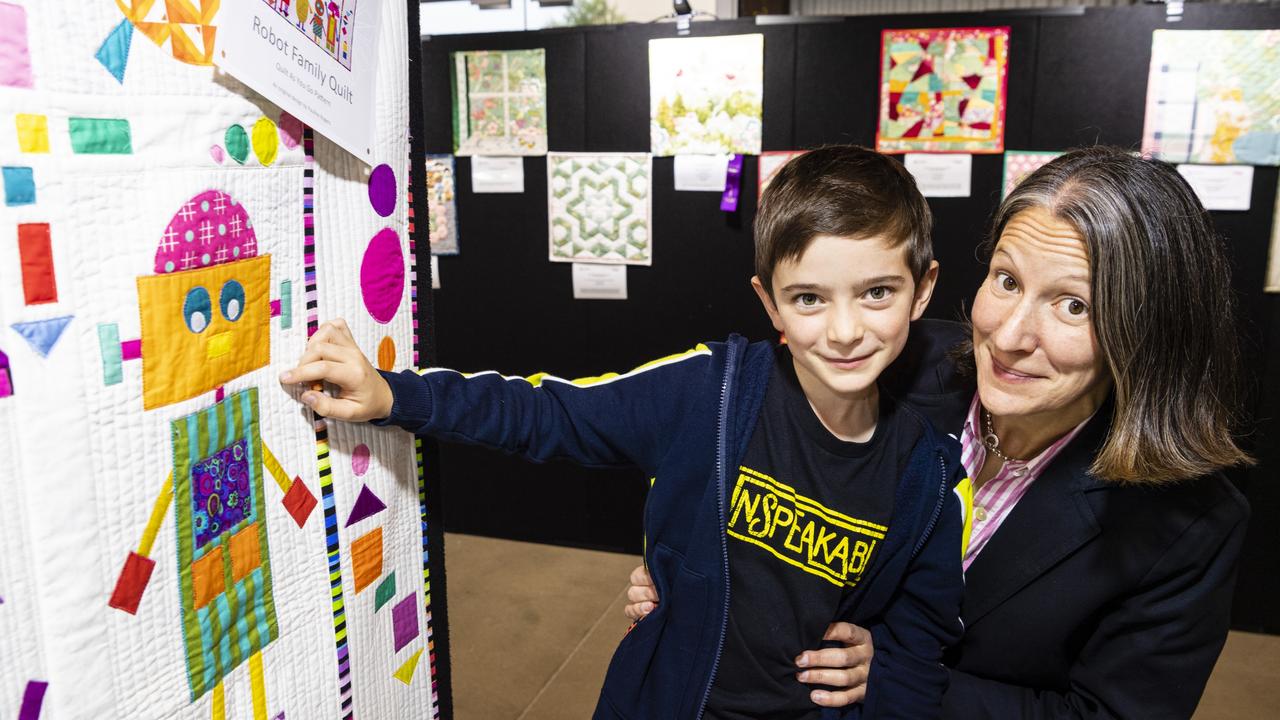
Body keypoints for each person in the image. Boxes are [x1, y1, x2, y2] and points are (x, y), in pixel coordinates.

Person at [282, 145, 971, 719]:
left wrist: (876, 669)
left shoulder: (931, 479)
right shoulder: (710, 393)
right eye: (810, 298)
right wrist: (394, 394)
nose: (846, 330)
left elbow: (919, 648)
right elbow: (549, 414)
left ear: (924, 288)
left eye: (877, 292)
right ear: (770, 303)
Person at [624, 146, 1253, 718]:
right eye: (1007, 281)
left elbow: (1110, 714)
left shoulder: (1188, 523)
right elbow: (763, 462)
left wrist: (898, 676)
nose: (1008, 337)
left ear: (1149, 331)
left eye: (1074, 305)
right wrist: (697, 565)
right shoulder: (894, 368)